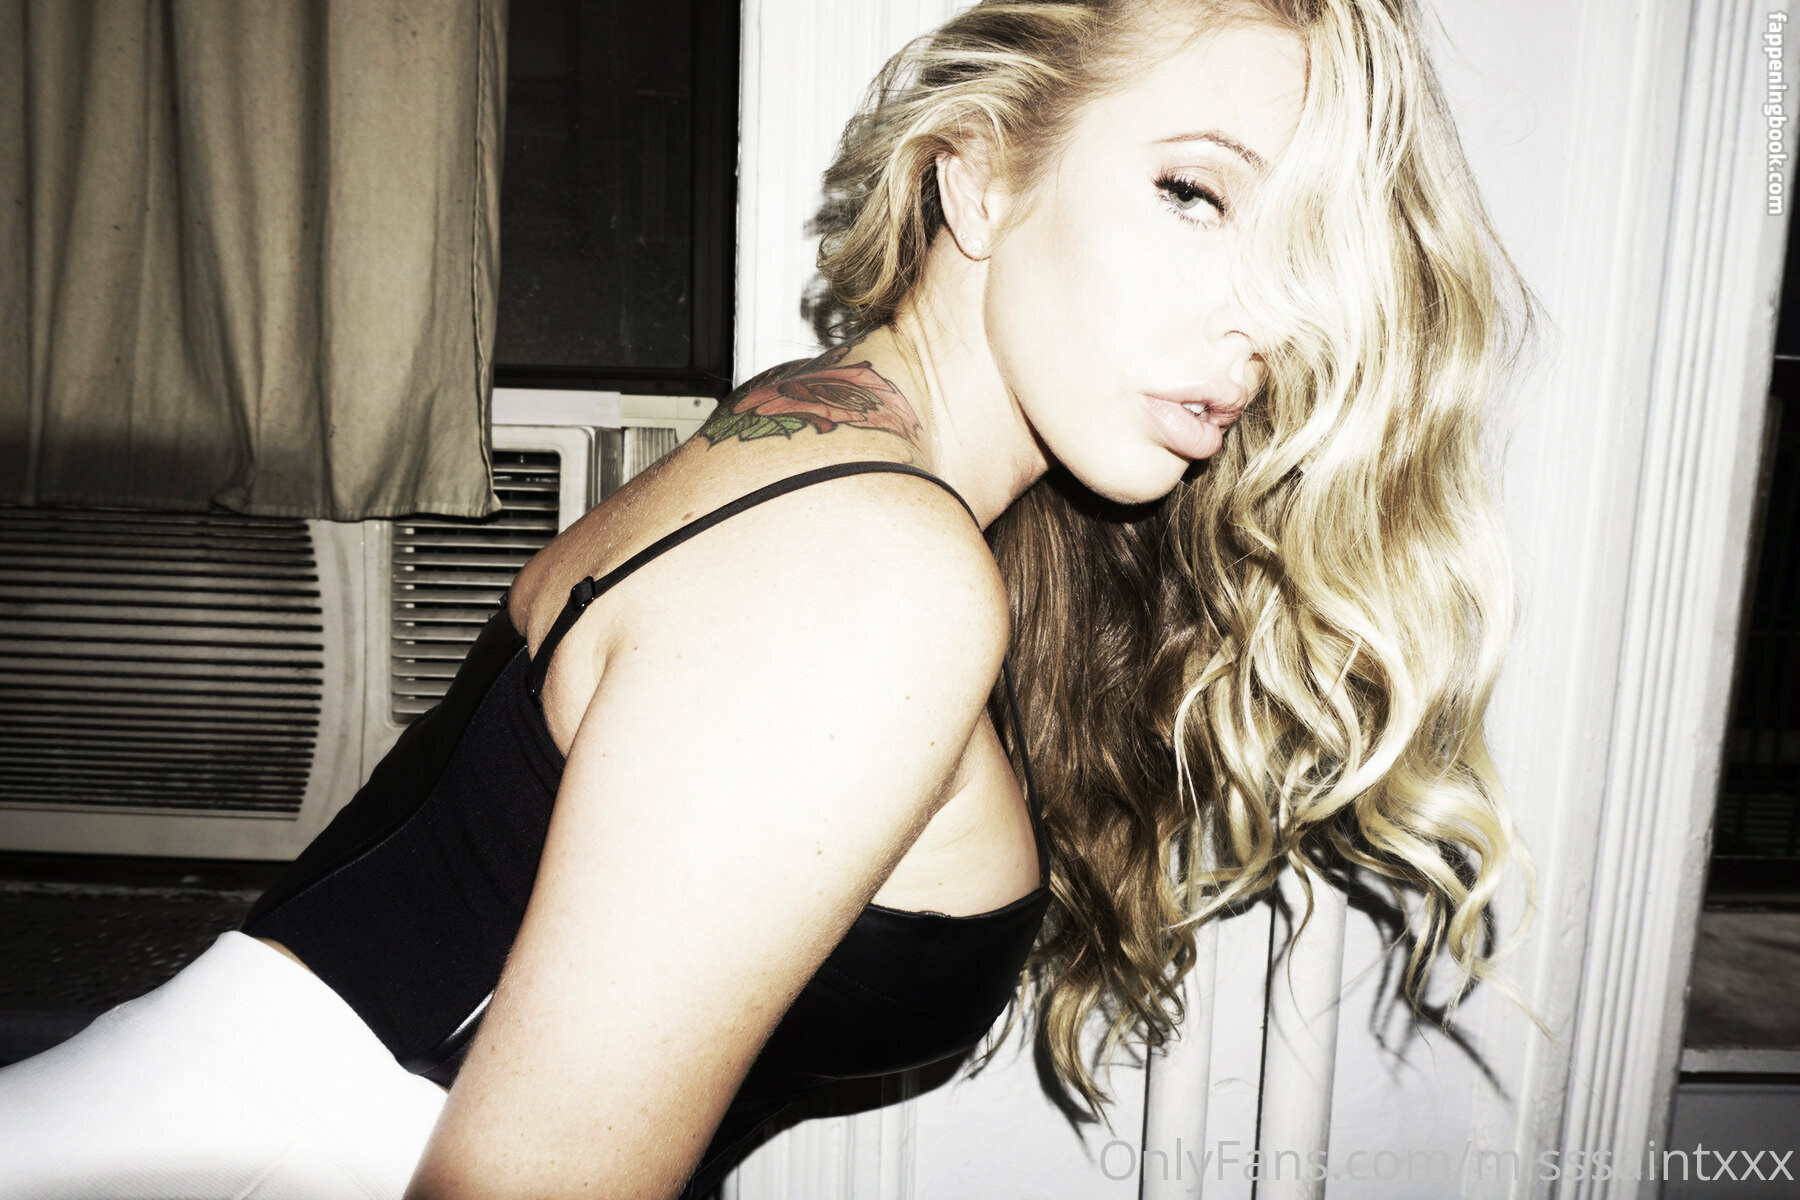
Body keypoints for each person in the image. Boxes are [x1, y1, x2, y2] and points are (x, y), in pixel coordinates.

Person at [0, 0, 1548, 1197]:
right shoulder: (870, 569)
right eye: (1197, 195)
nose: (1265, 317)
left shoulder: (821, 431)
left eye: (1312, 250)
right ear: (978, 177)